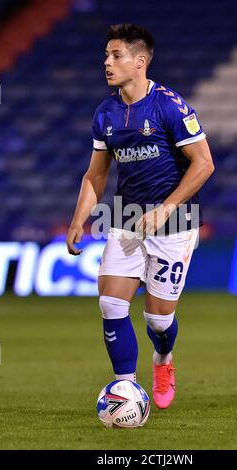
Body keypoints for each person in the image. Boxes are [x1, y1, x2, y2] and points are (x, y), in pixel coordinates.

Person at [67, 23, 214, 409]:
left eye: (116, 55)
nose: (107, 62)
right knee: (111, 304)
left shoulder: (169, 105)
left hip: (176, 222)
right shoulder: (106, 113)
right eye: (106, 55)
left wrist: (166, 208)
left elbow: (204, 164)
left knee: (158, 321)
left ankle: (163, 360)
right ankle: (126, 389)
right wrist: (78, 218)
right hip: (127, 217)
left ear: (140, 61)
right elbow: (96, 175)